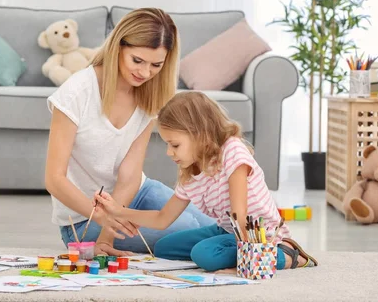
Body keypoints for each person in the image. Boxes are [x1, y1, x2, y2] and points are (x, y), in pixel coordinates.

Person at [44, 8, 214, 257]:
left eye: (156, 65)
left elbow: (130, 175)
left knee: (215, 223)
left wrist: (118, 215)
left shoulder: (150, 93)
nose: (145, 73)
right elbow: (54, 179)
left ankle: (278, 251)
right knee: (189, 230)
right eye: (137, 61)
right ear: (118, 48)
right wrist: (105, 233)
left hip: (138, 193)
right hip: (84, 218)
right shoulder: (77, 92)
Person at [94, 91, 318, 271]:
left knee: (205, 256)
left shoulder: (233, 153)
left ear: (199, 134)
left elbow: (240, 216)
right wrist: (117, 211)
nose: (169, 153)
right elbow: (163, 219)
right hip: (225, 230)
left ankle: (286, 254)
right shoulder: (191, 172)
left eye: (175, 145)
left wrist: (249, 259)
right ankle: (227, 252)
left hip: (257, 235)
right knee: (164, 247)